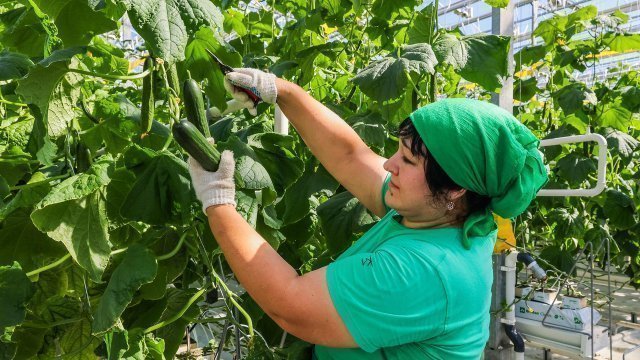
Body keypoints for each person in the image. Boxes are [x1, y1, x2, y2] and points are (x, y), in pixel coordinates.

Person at [187, 68, 548, 359]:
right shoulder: (444, 210)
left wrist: (218, 201)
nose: (390, 164)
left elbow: (288, 304)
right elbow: (351, 157)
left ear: (455, 188)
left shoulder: (426, 271)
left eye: (407, 159)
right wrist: (281, 89)